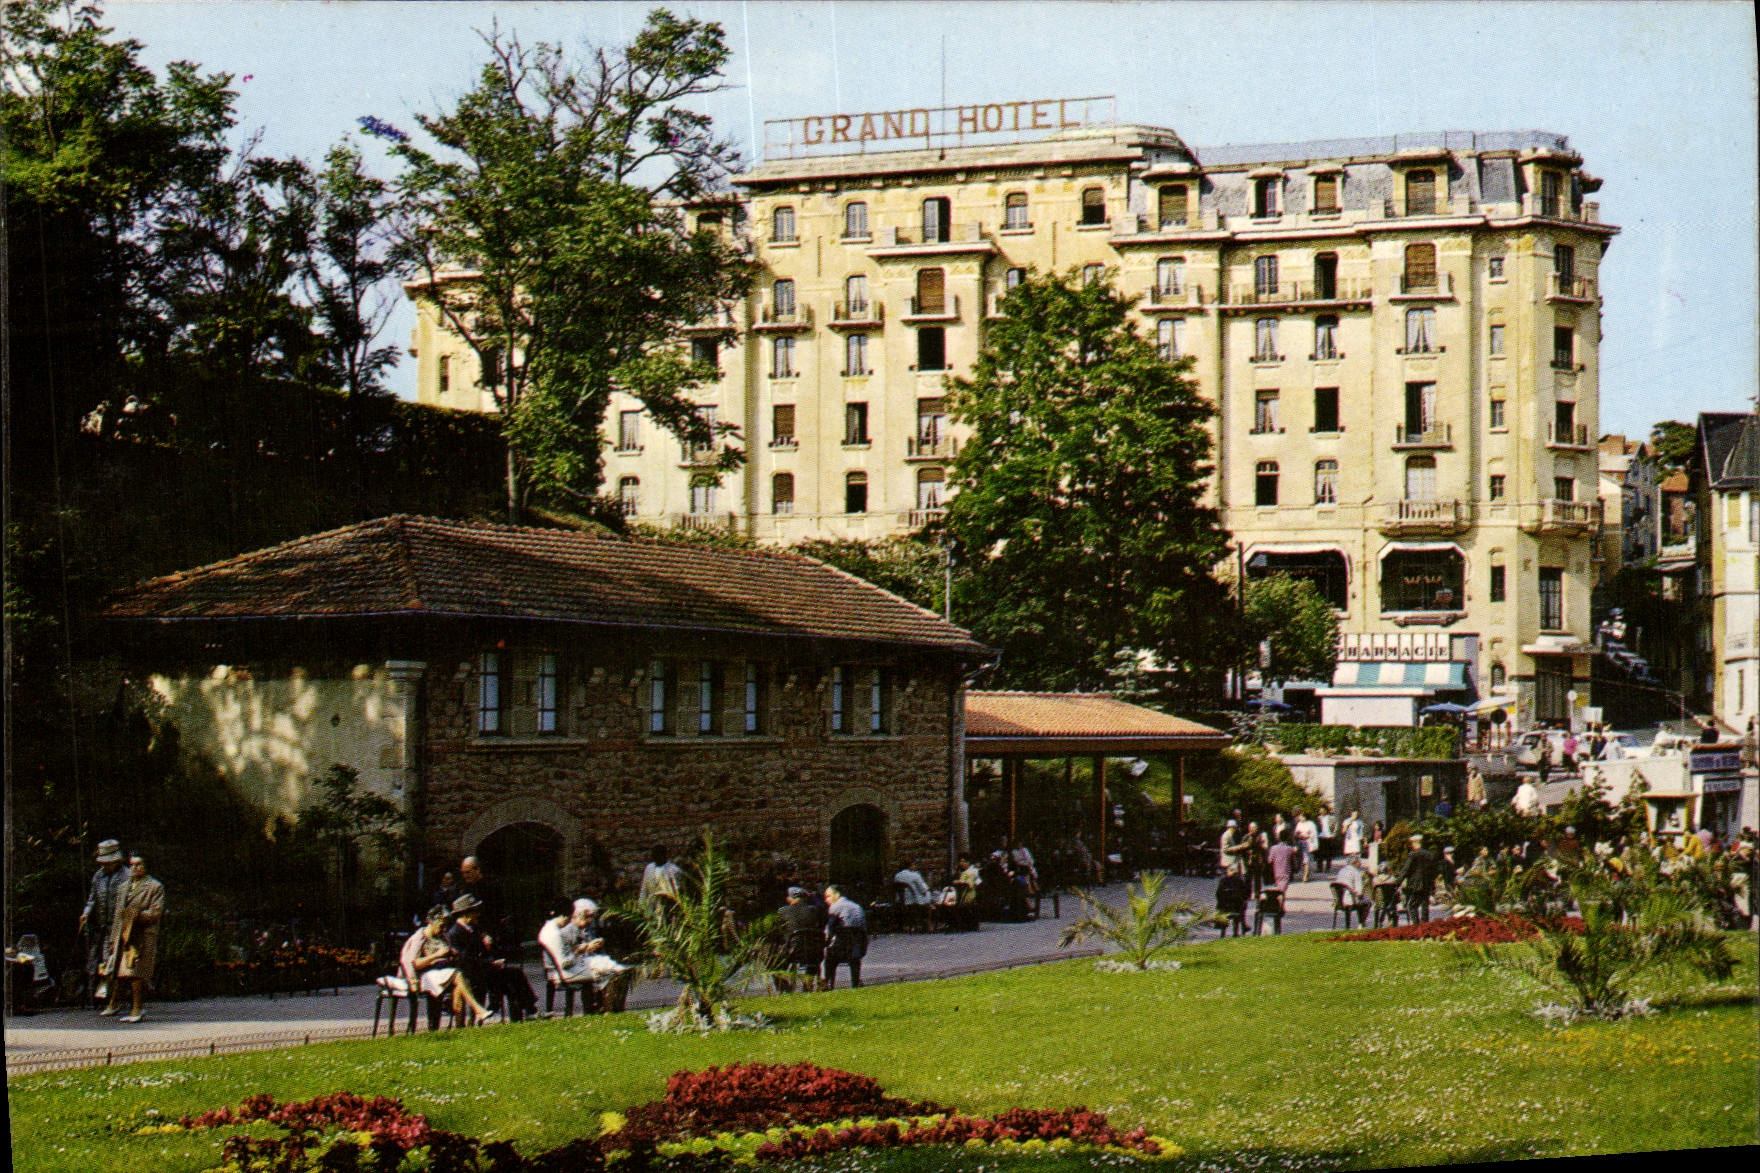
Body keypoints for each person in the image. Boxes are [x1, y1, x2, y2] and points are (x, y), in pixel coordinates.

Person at [446, 893, 538, 1022]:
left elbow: (484, 952)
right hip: (472, 973)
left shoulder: (474, 928)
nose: (478, 914)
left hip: (484, 969)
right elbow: (465, 959)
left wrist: (491, 952)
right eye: (475, 911)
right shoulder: (455, 933)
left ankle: (527, 1011)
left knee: (515, 974)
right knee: (509, 981)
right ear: (466, 913)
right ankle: (524, 1009)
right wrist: (489, 964)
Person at [101, 855, 165, 1023]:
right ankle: (115, 1003)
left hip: (142, 935)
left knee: (136, 972)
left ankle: (137, 1008)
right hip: (124, 934)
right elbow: (117, 916)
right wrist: (113, 940)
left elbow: (156, 913)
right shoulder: (123, 887)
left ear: (145, 866)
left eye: (139, 864)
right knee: (117, 970)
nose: (135, 868)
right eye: (132, 865)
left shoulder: (155, 887)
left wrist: (136, 914)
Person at [403, 905, 491, 1025]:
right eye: (441, 926)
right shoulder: (420, 937)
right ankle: (478, 1009)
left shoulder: (441, 936)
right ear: (432, 922)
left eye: (445, 926)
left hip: (441, 973)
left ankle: (461, 1027)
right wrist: (436, 956)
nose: (444, 929)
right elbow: (414, 964)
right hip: (423, 977)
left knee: (460, 984)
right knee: (458, 975)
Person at [79, 839, 129, 1009]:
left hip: (119, 926)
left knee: (112, 961)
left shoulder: (126, 876)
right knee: (97, 961)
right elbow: (92, 899)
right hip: (100, 926)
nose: (105, 866)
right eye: (103, 863)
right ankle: (100, 996)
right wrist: (86, 914)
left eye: (109, 863)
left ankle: (115, 998)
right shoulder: (98, 876)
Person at [777, 887, 827, 990]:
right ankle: (807, 984)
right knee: (813, 958)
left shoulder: (782, 912)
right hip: (814, 951)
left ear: (789, 899)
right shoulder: (815, 910)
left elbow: (779, 932)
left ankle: (784, 987)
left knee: (774, 963)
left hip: (792, 951)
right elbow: (821, 928)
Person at [822, 885, 868, 990]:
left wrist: (826, 942)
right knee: (853, 958)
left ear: (837, 895)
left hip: (842, 948)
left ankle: (827, 982)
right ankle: (855, 981)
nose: (826, 900)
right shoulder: (857, 907)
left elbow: (829, 930)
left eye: (828, 896)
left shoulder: (835, 907)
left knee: (828, 957)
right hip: (858, 948)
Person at [1398, 835, 1438, 924]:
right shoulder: (1430, 854)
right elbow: (1434, 871)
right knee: (1425, 905)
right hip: (1427, 883)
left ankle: (1416, 925)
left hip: (1415, 884)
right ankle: (1425, 925)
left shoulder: (1412, 855)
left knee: (1412, 905)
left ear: (1415, 843)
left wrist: (1398, 882)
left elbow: (1405, 870)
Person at [893, 860, 934, 932]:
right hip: (914, 899)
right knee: (927, 897)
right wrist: (926, 891)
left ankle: (910, 925)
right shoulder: (915, 875)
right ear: (910, 866)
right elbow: (922, 888)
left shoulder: (897, 875)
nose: (915, 867)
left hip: (901, 899)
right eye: (914, 865)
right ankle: (927, 923)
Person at [1333, 854, 1371, 928]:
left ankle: (1351, 925)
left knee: (1361, 900)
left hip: (1340, 900)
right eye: (1359, 862)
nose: (1360, 864)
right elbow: (1359, 892)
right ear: (1356, 863)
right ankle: (1361, 923)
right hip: (1351, 900)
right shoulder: (1356, 872)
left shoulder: (1342, 871)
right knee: (1368, 902)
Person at [1294, 813, 1320, 881]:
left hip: (1308, 843)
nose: (1301, 818)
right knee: (1302, 859)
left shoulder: (1310, 824)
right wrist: (1299, 835)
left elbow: (1313, 833)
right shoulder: (1299, 824)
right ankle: (1304, 874)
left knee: (1306, 859)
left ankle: (1305, 876)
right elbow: (1296, 833)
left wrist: (1307, 835)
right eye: (1300, 817)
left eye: (1302, 817)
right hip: (1300, 842)